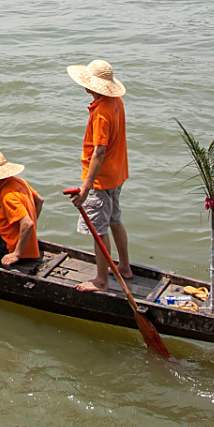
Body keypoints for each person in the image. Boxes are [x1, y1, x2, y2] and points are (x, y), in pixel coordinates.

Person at [66, 58, 130, 292]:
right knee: (114, 219)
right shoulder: (116, 101)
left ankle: (101, 280)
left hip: (102, 179)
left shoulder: (101, 112)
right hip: (117, 173)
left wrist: (86, 186)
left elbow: (99, 151)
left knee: (98, 228)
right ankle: (124, 266)